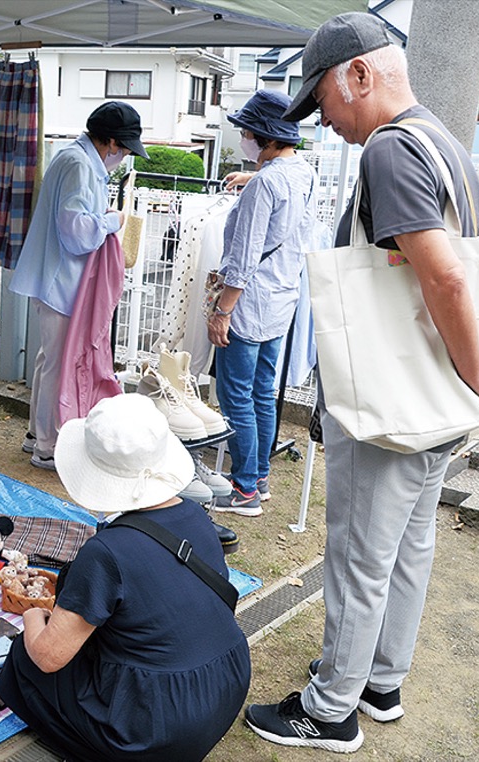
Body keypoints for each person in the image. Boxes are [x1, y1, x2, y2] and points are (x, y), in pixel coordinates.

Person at [243, 13, 479, 753]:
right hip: (433, 396)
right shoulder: (446, 143)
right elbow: (451, 280)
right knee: (409, 545)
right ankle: (381, 681)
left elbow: (446, 276)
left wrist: (475, 373)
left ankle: (330, 709)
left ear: (359, 76)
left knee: (360, 555)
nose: (325, 123)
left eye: (324, 102)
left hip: (391, 401)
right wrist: (471, 373)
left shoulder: (390, 153)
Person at [0, 394, 251, 761]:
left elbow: (49, 657)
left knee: (23, 657)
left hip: (154, 726)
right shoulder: (197, 516)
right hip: (225, 684)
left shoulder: (106, 553)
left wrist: (32, 615)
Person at [10, 101, 143, 471]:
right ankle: (48, 447)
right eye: (126, 149)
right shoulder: (81, 165)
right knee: (57, 364)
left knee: (48, 361)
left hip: (53, 278)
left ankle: (37, 436)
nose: (125, 156)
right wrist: (111, 222)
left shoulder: (73, 156)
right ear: (113, 143)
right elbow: (77, 232)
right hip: (61, 280)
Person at [207, 90, 317, 518]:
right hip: (281, 300)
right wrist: (251, 179)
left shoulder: (266, 184)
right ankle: (260, 479)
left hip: (249, 304)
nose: (242, 138)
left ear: (262, 135)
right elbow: (279, 196)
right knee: (263, 394)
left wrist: (222, 311)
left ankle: (245, 488)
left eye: (245, 132)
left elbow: (245, 255)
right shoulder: (300, 172)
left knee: (236, 396)